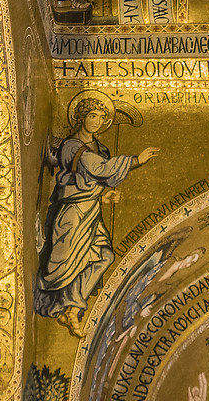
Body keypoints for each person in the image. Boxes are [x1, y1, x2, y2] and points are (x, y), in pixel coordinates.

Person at [37, 97, 159, 325]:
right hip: (72, 210)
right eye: (92, 116)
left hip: (91, 210)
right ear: (81, 117)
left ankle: (74, 306)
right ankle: (56, 302)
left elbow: (101, 179)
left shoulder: (101, 148)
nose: (97, 122)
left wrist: (104, 195)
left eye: (102, 118)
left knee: (105, 256)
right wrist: (136, 161)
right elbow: (97, 169)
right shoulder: (71, 145)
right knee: (65, 262)